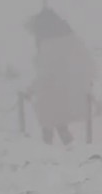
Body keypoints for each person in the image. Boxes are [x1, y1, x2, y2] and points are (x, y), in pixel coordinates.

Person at [25, 8, 96, 145]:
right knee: (59, 123)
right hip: (70, 91)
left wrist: (32, 89)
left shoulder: (49, 45)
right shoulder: (71, 39)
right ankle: (67, 148)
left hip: (51, 92)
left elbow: (45, 73)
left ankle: (51, 150)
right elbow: (87, 64)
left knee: (50, 122)